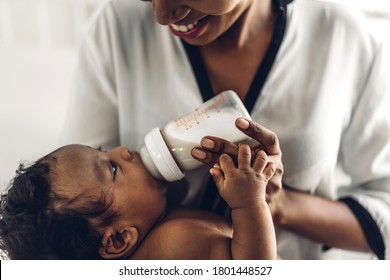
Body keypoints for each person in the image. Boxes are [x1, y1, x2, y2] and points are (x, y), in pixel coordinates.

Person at [60, 0, 390, 259]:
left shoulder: (344, 34)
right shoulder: (116, 26)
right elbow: (71, 223)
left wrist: (280, 206)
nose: (161, 15)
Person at [0, 143, 277, 260]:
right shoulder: (174, 244)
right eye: (112, 168)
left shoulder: (161, 222)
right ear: (119, 239)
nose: (122, 150)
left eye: (104, 151)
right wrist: (249, 203)